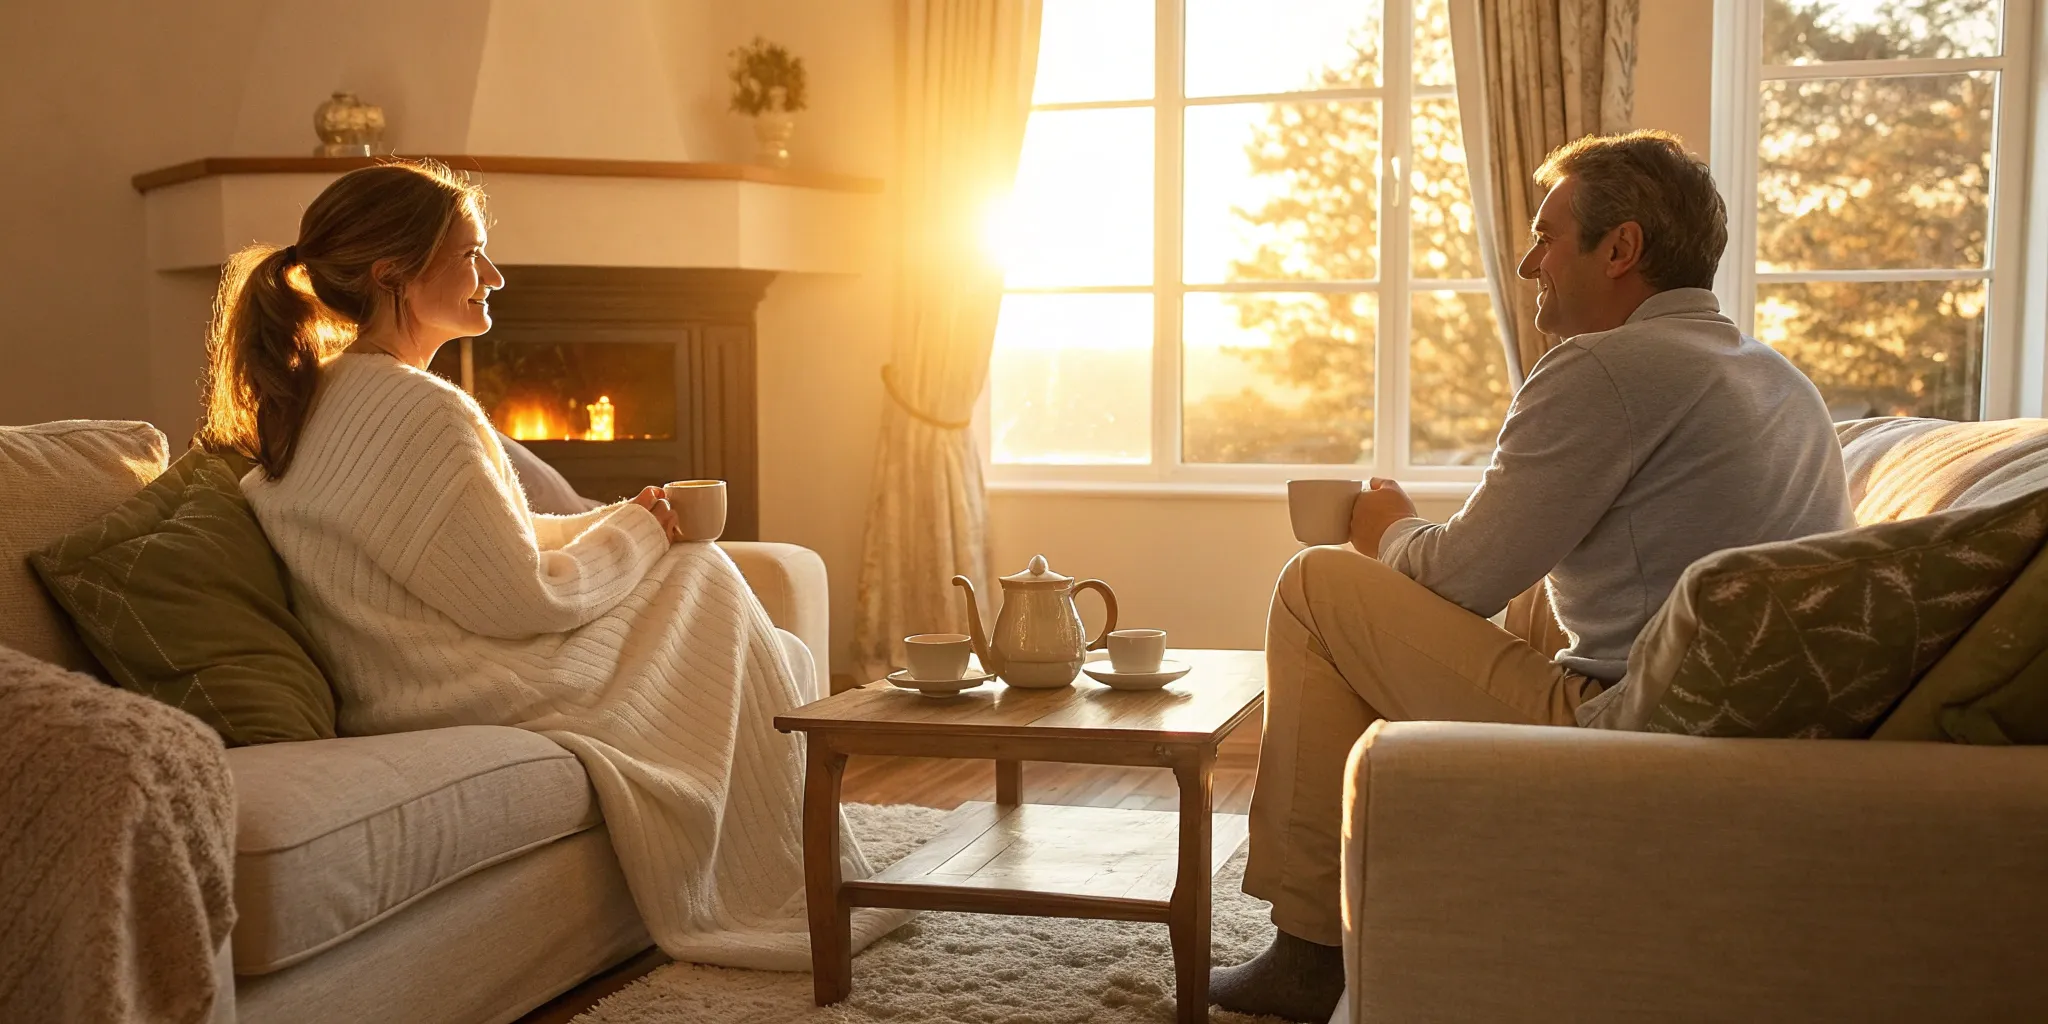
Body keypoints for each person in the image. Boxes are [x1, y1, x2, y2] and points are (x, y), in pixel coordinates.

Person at [1210, 131, 1854, 1021]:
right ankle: (1376, 883)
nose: (1527, 264)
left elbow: (1462, 576)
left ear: (1620, 248)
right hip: (1737, 723)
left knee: (1317, 584)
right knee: (1520, 595)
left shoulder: (1607, 366)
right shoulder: (1777, 377)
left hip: (1633, 734)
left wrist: (1387, 530)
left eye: (1547, 237)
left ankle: (1309, 950)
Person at [198, 159, 902, 969]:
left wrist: (625, 521)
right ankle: (791, 888)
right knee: (699, 573)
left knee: (751, 631)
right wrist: (643, 539)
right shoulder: (423, 411)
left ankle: (791, 855)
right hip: (454, 683)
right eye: (471, 255)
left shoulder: (320, 400)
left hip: (392, 680)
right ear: (393, 275)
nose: (493, 276)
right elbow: (524, 599)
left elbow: (482, 542)